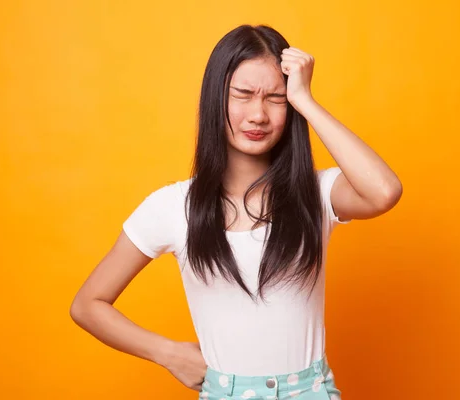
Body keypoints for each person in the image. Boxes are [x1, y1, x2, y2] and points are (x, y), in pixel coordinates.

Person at [70, 24, 402, 400]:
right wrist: (169, 354)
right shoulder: (173, 206)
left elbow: (384, 192)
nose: (258, 114)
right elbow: (88, 304)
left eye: (276, 98)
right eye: (243, 95)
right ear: (216, 99)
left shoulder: (315, 192)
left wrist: (306, 101)